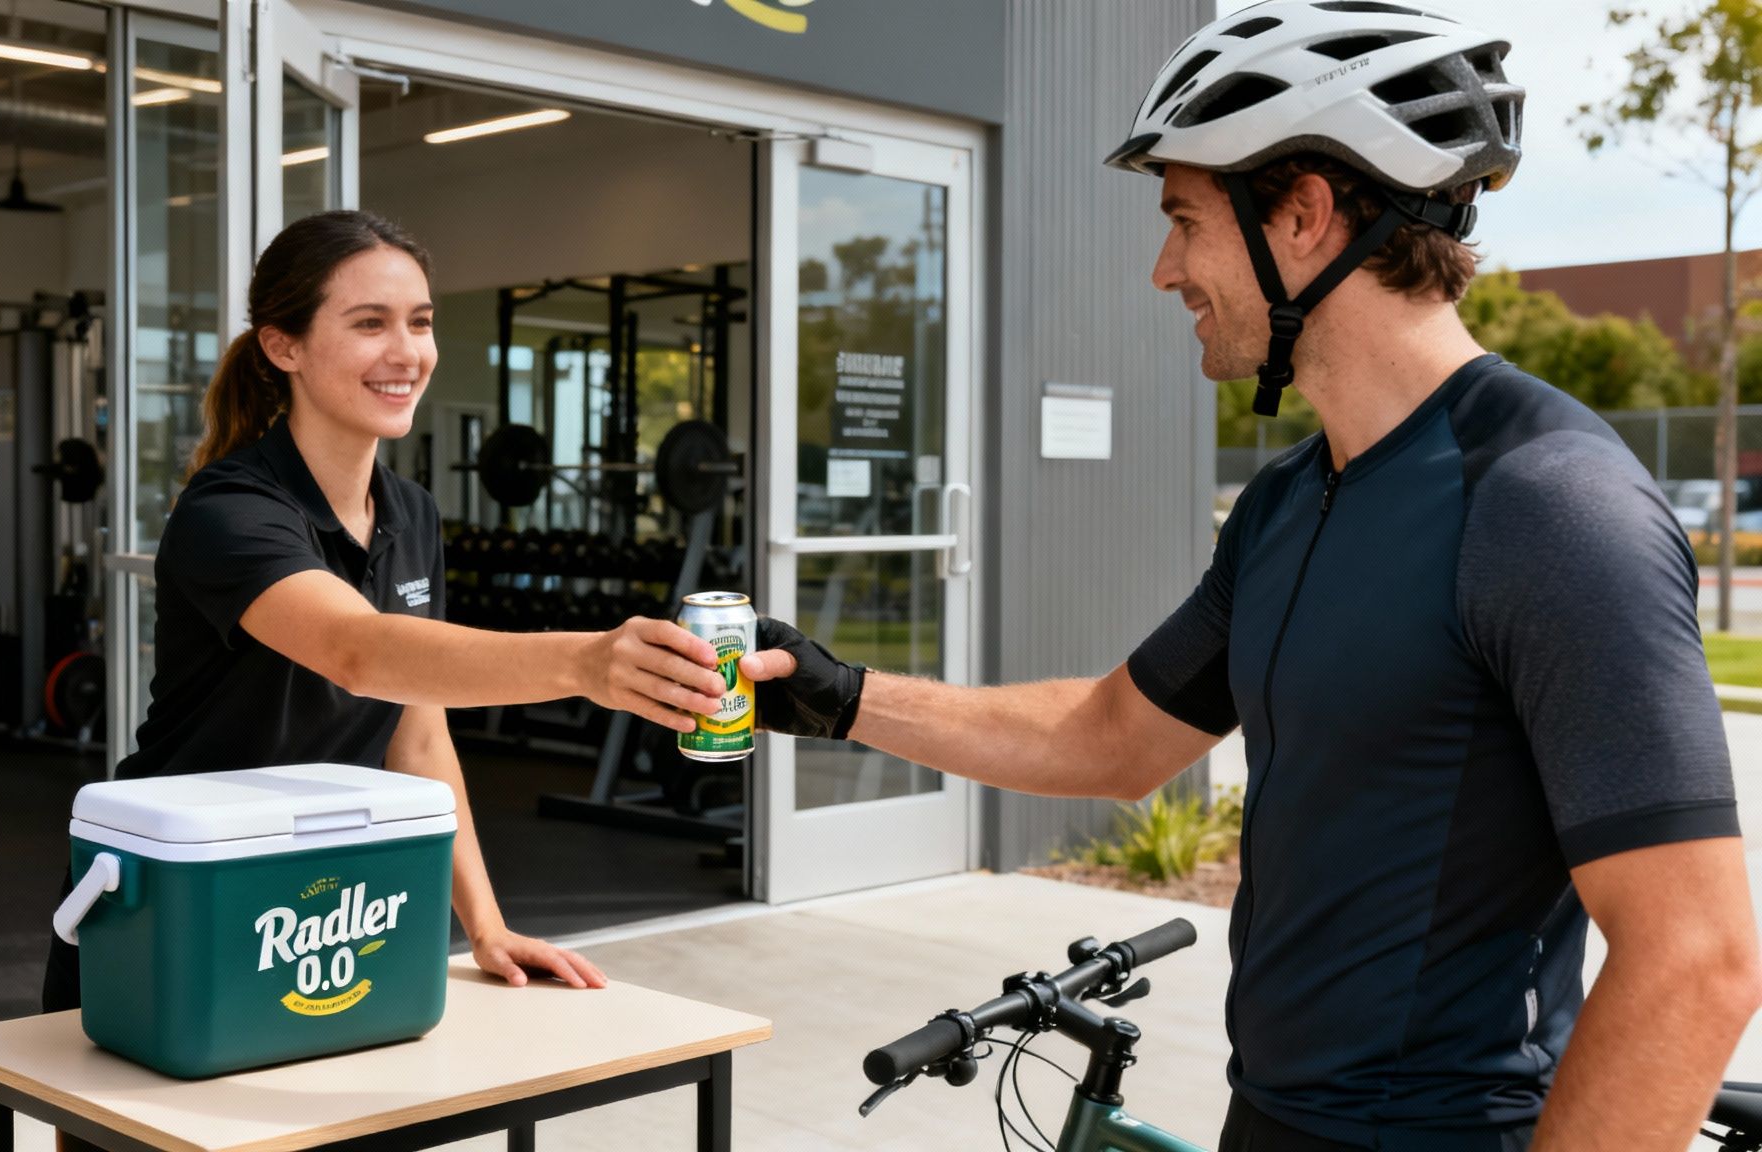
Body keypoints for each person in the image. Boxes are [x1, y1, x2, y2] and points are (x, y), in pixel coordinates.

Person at [741, 4, 1761, 1150]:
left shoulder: (1547, 508)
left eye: (1183, 220)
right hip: (1270, 1116)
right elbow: (1111, 734)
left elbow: (1694, 959)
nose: (1162, 268)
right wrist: (836, 696)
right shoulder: (1290, 498)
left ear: (1304, 214)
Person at [43, 210, 727, 1072]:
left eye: (421, 321)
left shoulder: (411, 515)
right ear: (282, 346)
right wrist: (585, 662)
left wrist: (485, 926)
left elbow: (418, 733)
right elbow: (356, 652)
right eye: (369, 323)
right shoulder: (230, 512)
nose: (407, 351)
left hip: (318, 901)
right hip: (175, 891)